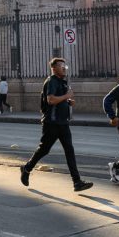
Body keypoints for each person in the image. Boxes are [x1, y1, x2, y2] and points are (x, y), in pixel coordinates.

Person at [19, 57, 93, 192]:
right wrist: (66, 97)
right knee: (44, 149)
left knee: (69, 151)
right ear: (54, 68)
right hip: (52, 123)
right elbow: (51, 100)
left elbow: (60, 99)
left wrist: (68, 101)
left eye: (65, 66)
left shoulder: (62, 82)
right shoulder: (51, 81)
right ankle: (27, 168)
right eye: (61, 66)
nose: (64, 68)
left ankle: (77, 182)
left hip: (63, 123)